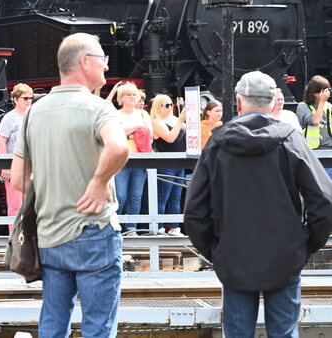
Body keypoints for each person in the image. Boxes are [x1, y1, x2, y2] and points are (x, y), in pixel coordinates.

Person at [185, 71, 332, 338]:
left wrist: (216, 250)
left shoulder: (217, 143)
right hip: (285, 256)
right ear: (275, 102)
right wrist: (305, 245)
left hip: (234, 256)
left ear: (238, 103)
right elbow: (323, 200)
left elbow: (194, 211)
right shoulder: (291, 139)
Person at [10, 33, 127, 338]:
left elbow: (19, 178)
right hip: (94, 231)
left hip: (50, 234)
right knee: (98, 326)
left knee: (53, 322)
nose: (106, 66)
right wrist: (98, 183)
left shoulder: (34, 111)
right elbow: (119, 148)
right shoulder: (99, 108)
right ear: (85, 62)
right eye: (103, 59)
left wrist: (55, 178)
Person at [112, 82, 152, 236]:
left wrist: (127, 133)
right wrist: (136, 129)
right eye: (128, 94)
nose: (132, 97)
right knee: (120, 195)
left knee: (136, 195)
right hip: (121, 159)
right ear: (121, 98)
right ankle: (118, 226)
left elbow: (150, 134)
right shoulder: (115, 114)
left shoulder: (143, 114)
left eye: (134, 94)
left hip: (140, 158)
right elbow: (115, 133)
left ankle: (132, 228)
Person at [150, 93, 187, 236]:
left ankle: (174, 228)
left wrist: (181, 111)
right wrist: (180, 121)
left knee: (176, 198)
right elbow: (170, 138)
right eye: (166, 105)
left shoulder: (176, 119)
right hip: (165, 163)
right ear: (158, 107)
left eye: (171, 104)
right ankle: (159, 227)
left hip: (179, 163)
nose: (169, 107)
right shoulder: (156, 121)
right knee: (163, 196)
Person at [0, 84, 32, 224]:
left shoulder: (32, 116)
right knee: (15, 204)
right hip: (15, 164)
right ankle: (16, 238)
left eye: (30, 98)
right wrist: (5, 166)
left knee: (31, 203)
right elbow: (0, 141)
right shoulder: (9, 118)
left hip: (31, 164)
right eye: (25, 98)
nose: (29, 100)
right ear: (16, 99)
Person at [297, 75, 332, 181]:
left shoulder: (329, 106)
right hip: (313, 151)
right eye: (322, 91)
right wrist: (321, 102)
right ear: (313, 92)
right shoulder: (303, 107)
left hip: (329, 149)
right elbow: (315, 121)